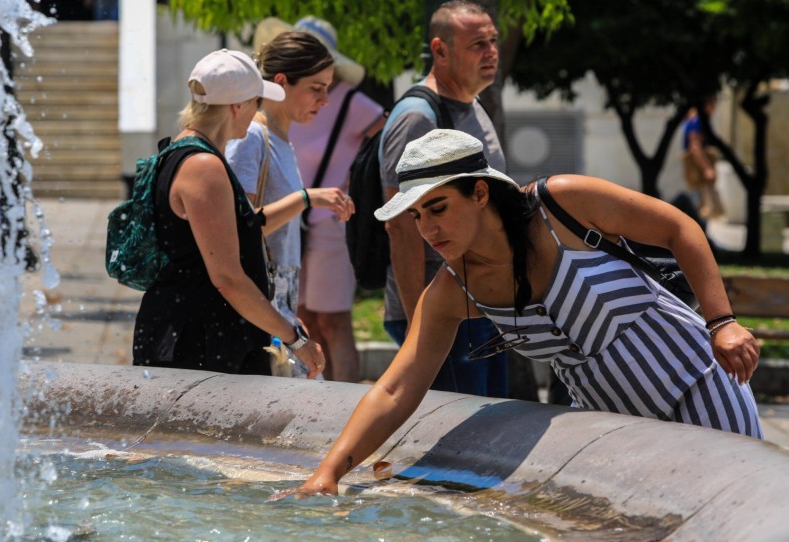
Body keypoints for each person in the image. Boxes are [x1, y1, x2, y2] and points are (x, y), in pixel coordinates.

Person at [278, 128, 762, 497]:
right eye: (417, 215)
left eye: (439, 207)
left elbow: (679, 228)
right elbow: (394, 389)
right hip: (613, 424)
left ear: (481, 192)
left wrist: (722, 322)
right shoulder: (451, 290)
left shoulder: (561, 204)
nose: (428, 228)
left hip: (697, 385)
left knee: (740, 507)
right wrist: (328, 473)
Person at [131, 49, 347, 378]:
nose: (257, 111)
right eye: (255, 102)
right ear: (236, 106)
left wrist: (279, 319)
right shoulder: (204, 167)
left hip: (194, 335)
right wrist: (295, 339)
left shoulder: (182, 152)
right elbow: (227, 278)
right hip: (199, 344)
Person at [379, 0, 508, 396]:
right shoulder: (419, 116)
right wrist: (423, 320)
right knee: (456, 447)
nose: (490, 52)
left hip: (482, 306)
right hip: (443, 314)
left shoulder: (474, 102)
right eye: (476, 44)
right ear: (440, 50)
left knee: (490, 439)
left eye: (493, 41)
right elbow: (401, 226)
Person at [225, 31, 354, 377]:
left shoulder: (280, 140)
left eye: (328, 87)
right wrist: (307, 198)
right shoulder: (252, 137)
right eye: (316, 87)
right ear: (281, 82)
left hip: (279, 312)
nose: (325, 99)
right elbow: (239, 229)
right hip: (257, 315)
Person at [278, 17, 385, 383]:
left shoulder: (352, 102)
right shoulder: (294, 97)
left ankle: (349, 405)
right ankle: (322, 402)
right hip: (294, 222)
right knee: (306, 317)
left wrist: (358, 188)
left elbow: (386, 143)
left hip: (332, 227)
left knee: (334, 320)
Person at [681, 97, 725, 220]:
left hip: (696, 173)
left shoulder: (692, 119)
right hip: (698, 172)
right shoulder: (698, 120)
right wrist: (707, 169)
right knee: (700, 211)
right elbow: (695, 147)